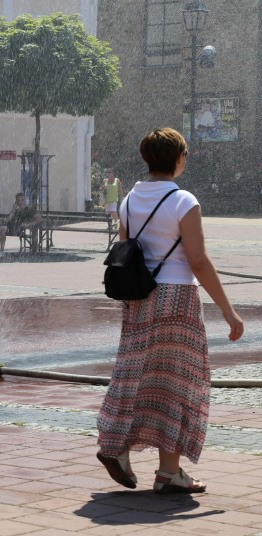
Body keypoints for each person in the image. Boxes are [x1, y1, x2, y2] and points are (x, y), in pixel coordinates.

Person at [96, 127, 243, 494]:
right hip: (177, 299)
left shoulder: (130, 199)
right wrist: (228, 311)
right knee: (178, 382)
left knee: (135, 374)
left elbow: (127, 249)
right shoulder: (183, 201)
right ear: (178, 159)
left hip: (139, 296)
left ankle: (122, 448)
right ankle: (167, 470)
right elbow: (197, 259)